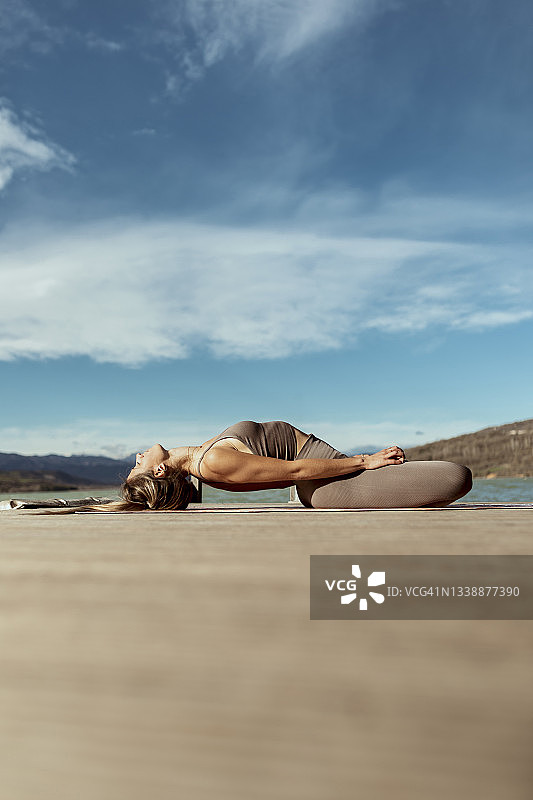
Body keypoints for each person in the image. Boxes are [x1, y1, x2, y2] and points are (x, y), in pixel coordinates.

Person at [104, 420, 471, 512]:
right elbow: (294, 472)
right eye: (139, 465)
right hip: (333, 482)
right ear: (159, 471)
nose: (137, 456)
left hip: (331, 472)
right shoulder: (212, 462)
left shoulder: (203, 457)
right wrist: (364, 460)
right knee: (457, 477)